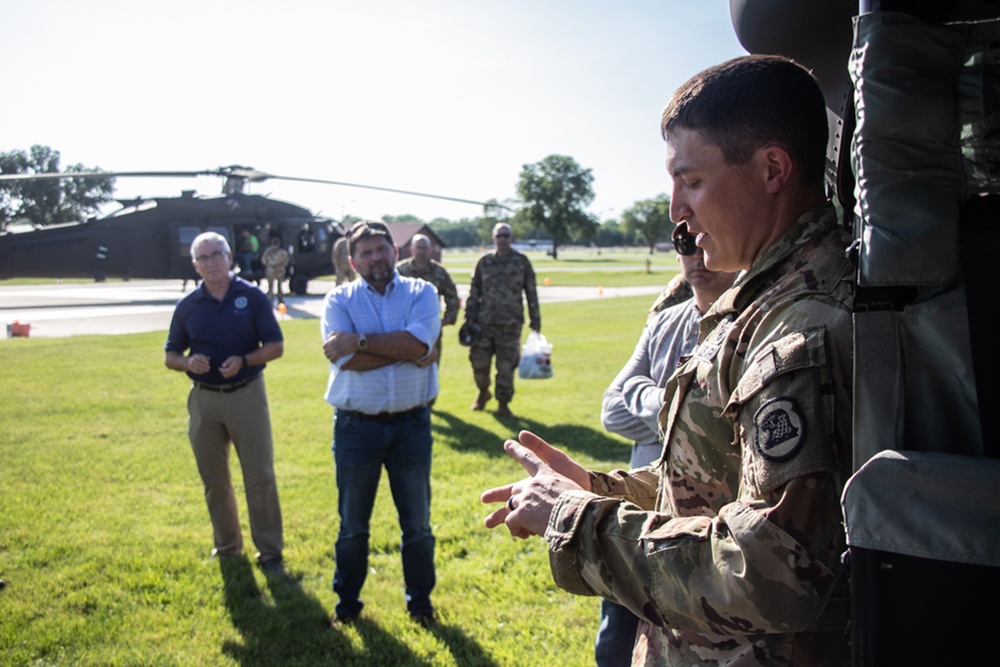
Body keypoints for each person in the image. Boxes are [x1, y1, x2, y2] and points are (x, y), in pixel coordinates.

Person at [482, 55, 854, 665]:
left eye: (693, 181)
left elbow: (769, 569)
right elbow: (722, 485)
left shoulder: (797, 331)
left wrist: (579, 521)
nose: (676, 210)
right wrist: (600, 488)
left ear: (773, 169)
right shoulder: (765, 303)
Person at [594, 227, 737, 667]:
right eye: (683, 245)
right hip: (642, 513)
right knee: (614, 647)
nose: (695, 254)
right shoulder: (665, 323)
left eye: (703, 239)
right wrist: (670, 402)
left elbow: (726, 431)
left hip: (711, 535)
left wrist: (653, 401)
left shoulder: (753, 322)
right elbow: (611, 410)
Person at [321, 221, 441, 629]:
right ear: (354, 261)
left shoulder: (423, 292)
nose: (376, 258)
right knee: (353, 526)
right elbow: (344, 359)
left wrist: (361, 340)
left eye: (382, 249)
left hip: (411, 425)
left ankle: (421, 604)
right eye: (367, 253)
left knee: (418, 525)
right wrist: (406, 348)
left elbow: (420, 344)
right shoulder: (338, 299)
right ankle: (348, 604)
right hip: (357, 429)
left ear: (396, 250)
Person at [164, 231, 286, 574]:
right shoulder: (187, 306)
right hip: (204, 401)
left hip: (246, 394)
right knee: (214, 479)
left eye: (216, 254)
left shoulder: (252, 297)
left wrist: (244, 360)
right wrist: (188, 363)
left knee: (259, 477)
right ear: (195, 265)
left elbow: (276, 346)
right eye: (203, 258)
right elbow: (170, 355)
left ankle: (270, 553)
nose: (211, 263)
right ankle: (228, 547)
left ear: (230, 257)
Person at [464, 222, 541, 418]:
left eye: (506, 235)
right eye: (499, 236)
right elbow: (474, 291)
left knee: (506, 367)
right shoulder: (484, 262)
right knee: (478, 363)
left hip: (510, 324)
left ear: (512, 238)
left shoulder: (522, 262)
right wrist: (469, 318)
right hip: (484, 324)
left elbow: (531, 292)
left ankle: (503, 404)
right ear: (493, 239)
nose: (502, 239)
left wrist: (535, 319)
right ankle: (483, 392)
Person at [396, 233, 460, 367]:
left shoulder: (439, 271)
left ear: (430, 250)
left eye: (424, 248)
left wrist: (448, 318)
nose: (421, 251)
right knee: (403, 367)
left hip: (431, 329)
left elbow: (452, 295)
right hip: (403, 329)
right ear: (412, 249)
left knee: (431, 367)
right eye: (418, 248)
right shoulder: (401, 271)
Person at [261, 236, 291, 305]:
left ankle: (270, 301)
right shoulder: (283, 252)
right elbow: (286, 261)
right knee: (279, 285)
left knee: (270, 286)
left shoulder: (267, 251)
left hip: (271, 269)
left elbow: (264, 261)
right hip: (280, 269)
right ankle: (280, 300)